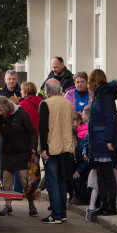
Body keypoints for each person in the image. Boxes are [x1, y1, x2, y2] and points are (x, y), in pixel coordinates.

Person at [0, 95, 36, 217]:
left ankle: (31, 204)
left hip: (22, 152)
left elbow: (32, 130)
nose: (0, 113)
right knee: (7, 182)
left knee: (25, 180)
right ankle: (8, 206)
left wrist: (33, 147)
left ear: (7, 106)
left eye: (1, 110)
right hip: (7, 153)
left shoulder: (21, 113)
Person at [37, 81, 74, 224]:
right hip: (65, 146)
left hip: (51, 147)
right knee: (61, 181)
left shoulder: (45, 104)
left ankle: (56, 214)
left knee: (52, 182)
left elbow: (44, 127)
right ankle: (62, 213)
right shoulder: (68, 103)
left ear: (47, 90)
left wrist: (43, 148)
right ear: (59, 89)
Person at [85, 69, 117, 219]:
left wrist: (108, 139)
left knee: (107, 172)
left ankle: (111, 203)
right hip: (97, 139)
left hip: (103, 138)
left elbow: (111, 118)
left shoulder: (105, 96)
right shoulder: (99, 95)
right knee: (100, 173)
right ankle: (103, 202)